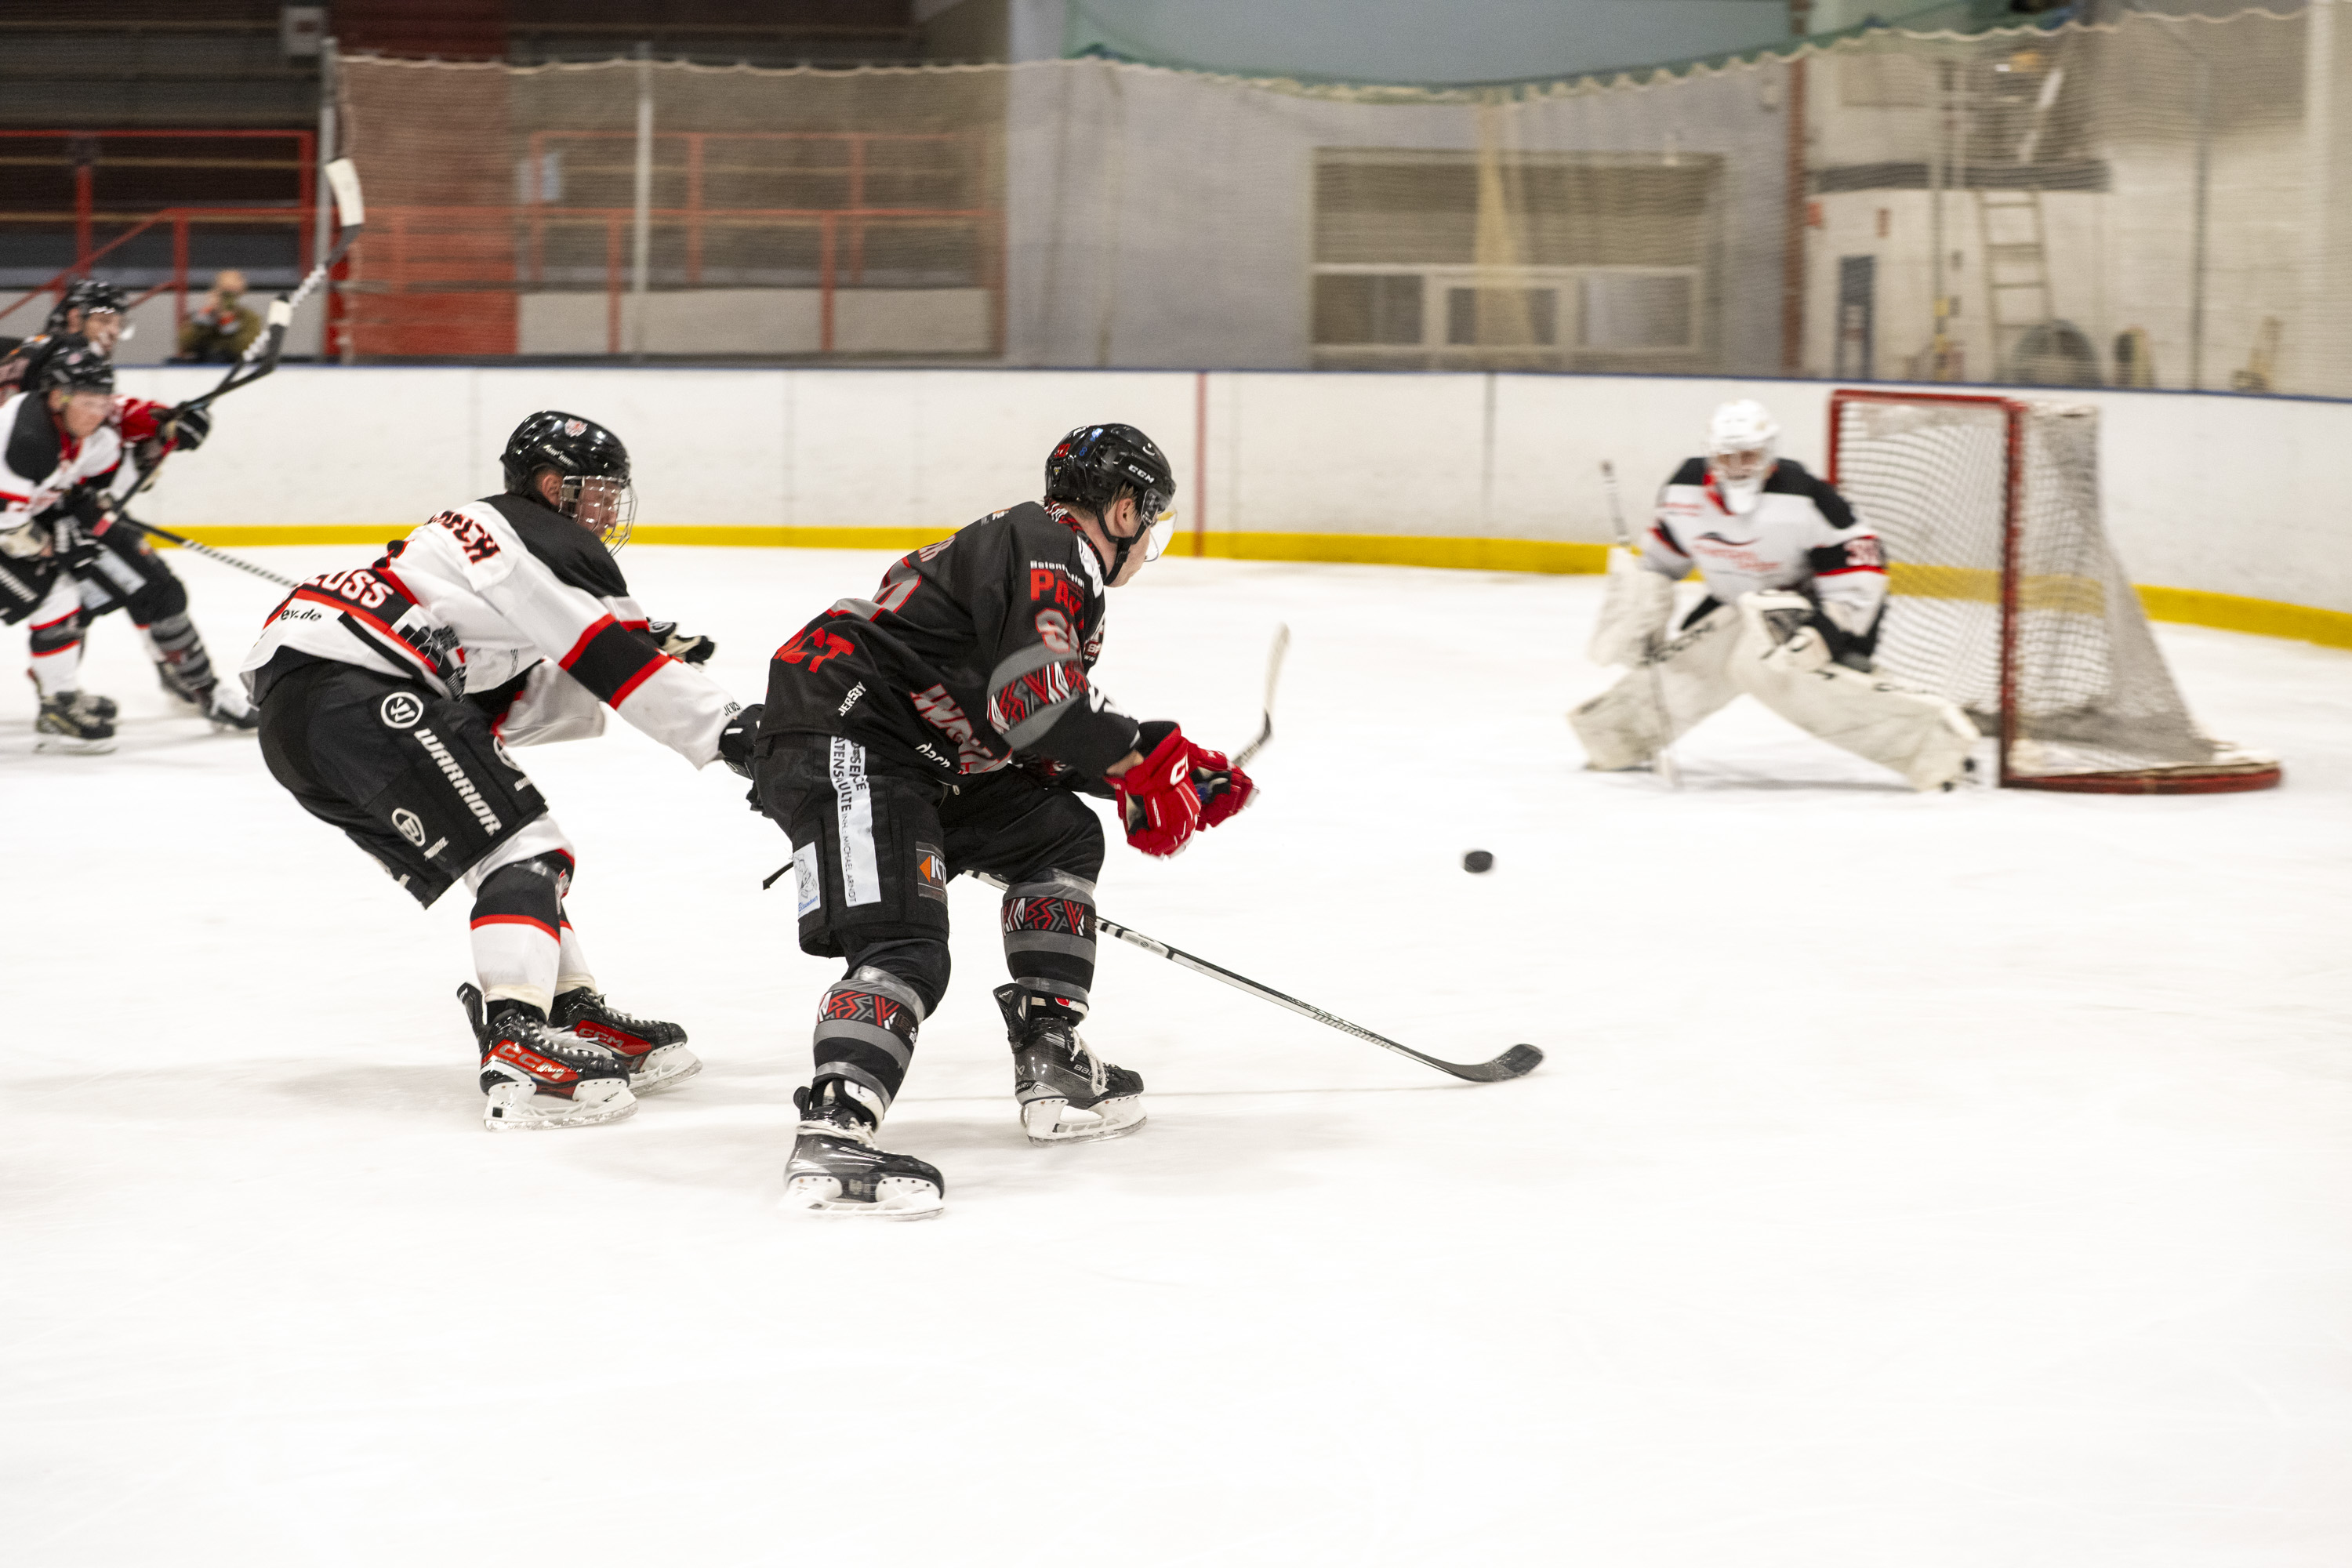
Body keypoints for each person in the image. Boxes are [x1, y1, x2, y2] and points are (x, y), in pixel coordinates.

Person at [741, 422, 1256, 1220]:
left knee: (1058, 835)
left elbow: (1026, 728)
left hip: (923, 756)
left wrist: (1156, 764)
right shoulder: (1048, 545)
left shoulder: (1042, 557)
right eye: (1149, 516)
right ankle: (832, 1133)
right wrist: (1140, 761)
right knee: (904, 942)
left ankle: (1051, 1052)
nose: (1150, 537)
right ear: (1123, 510)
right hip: (854, 738)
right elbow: (1035, 701)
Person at [241, 410, 752, 1131]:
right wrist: (730, 729)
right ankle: (519, 1044)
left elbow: (495, 708)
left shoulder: (469, 563)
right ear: (551, 486)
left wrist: (629, 656)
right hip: (352, 692)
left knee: (502, 851)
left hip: (305, 719)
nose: (606, 510)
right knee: (529, 851)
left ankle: (566, 1009)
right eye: (597, 491)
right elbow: (613, 660)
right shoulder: (531, 532)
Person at [1571, 399, 1977, 791]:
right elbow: (1661, 561)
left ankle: (1938, 745)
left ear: (1770, 455)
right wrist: (1646, 607)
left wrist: (1825, 632)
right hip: (1739, 602)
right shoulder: (1683, 492)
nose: (1737, 468)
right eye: (1726, 457)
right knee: (1694, 663)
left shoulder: (1806, 496)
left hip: (1818, 608)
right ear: (1710, 455)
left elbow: (1862, 567)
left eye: (1748, 456)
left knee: (1764, 664)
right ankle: (1615, 736)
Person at [0, 339, 135, 750]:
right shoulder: (27, 440)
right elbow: (10, 531)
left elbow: (87, 488)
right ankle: (58, 701)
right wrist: (59, 544)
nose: (98, 413)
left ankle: (59, 701)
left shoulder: (88, 436)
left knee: (59, 596)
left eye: (103, 402)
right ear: (58, 397)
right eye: (88, 402)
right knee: (54, 591)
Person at [0, 278, 132, 398]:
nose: (115, 332)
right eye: (104, 320)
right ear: (75, 318)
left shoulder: (87, 363)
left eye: (119, 324)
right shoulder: (40, 356)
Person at [174, 270, 260, 364]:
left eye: (231, 294)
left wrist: (227, 320)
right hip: (202, 364)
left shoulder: (249, 318)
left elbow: (246, 349)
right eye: (224, 292)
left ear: (241, 293)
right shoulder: (200, 316)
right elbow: (185, 344)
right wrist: (207, 315)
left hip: (234, 364)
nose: (227, 298)